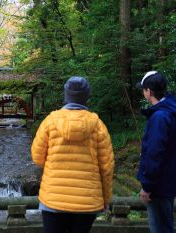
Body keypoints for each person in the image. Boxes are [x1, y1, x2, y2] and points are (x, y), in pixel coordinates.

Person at [31, 76, 114, 233]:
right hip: (87, 200)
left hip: (53, 198)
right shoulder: (98, 125)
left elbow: (37, 157)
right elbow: (107, 167)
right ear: (86, 97)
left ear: (66, 95)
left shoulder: (50, 121)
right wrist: (106, 198)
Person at [136, 71, 176, 233]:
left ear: (149, 91)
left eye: (143, 89)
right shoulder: (173, 111)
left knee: (159, 228)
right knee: (165, 226)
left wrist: (147, 186)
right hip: (169, 181)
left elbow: (154, 154)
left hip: (159, 185)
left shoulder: (160, 117)